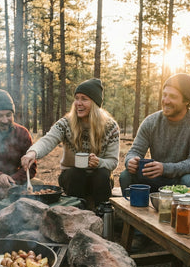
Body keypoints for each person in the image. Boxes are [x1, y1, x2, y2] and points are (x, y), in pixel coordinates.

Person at [20, 78, 120, 209]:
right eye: (76, 98)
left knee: (102, 174)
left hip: (100, 180)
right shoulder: (66, 123)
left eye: (84, 99)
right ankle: (75, 214)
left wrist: (99, 162)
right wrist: (33, 153)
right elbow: (48, 139)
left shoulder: (110, 127)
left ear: (95, 103)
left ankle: (103, 215)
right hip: (72, 178)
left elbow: (112, 161)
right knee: (76, 174)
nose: (78, 103)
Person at [119, 73, 190, 194]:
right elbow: (135, 151)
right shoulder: (151, 121)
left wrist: (165, 168)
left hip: (182, 179)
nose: (166, 101)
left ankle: (184, 212)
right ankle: (131, 211)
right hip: (156, 178)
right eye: (164, 95)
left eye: (172, 96)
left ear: (186, 100)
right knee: (126, 175)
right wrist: (130, 161)